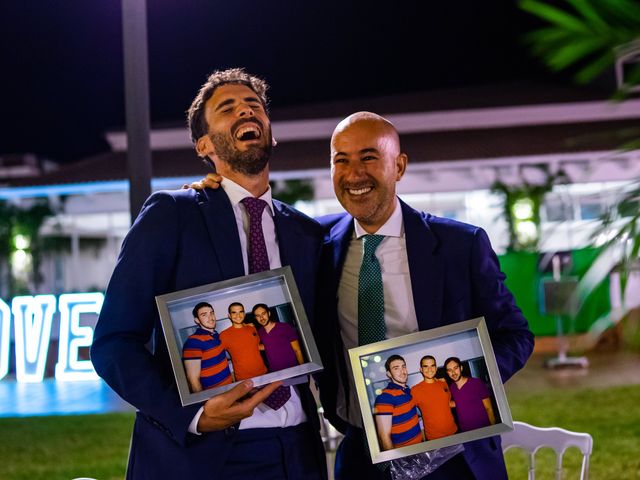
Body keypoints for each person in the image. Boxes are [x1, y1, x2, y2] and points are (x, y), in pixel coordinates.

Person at [90, 68, 326, 480]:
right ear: (204, 144)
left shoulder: (308, 233)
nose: (245, 111)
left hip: (298, 452)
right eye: (228, 108)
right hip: (202, 454)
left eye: (254, 105)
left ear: (271, 133)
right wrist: (193, 415)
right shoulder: (173, 215)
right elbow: (113, 343)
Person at [313, 112, 535, 480]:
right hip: (361, 453)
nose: (354, 174)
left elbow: (516, 336)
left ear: (399, 166)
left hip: (453, 456)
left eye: (369, 157)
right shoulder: (315, 245)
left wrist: (459, 381)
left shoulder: (459, 245)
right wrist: (206, 192)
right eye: (342, 160)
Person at [373, 355, 423, 451]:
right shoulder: (384, 397)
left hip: (420, 448)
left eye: (403, 366)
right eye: (396, 368)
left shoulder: (408, 391)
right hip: (405, 456)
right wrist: (396, 462)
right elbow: (384, 437)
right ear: (389, 374)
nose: (402, 371)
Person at [183, 302, 233, 391]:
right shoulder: (193, 342)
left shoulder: (216, 335)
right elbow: (193, 380)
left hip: (230, 389)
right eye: (204, 315)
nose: (210, 317)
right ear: (197, 320)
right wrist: (204, 402)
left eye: (212, 313)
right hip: (215, 396)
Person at [410, 355, 457, 441]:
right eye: (426, 366)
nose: (430, 369)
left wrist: (466, 401)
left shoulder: (443, 383)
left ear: (436, 368)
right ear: (421, 369)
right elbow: (410, 414)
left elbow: (447, 403)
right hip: (434, 438)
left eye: (432, 366)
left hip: (454, 432)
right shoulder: (415, 390)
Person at [444, 357, 496, 432]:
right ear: (447, 373)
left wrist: (494, 429)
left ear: (461, 368)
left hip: (484, 429)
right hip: (466, 432)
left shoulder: (477, 383)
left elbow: (489, 409)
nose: (453, 372)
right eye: (449, 370)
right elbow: (457, 403)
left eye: (455, 368)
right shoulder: (452, 388)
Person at [219, 302, 267, 380]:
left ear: (244, 314)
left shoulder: (252, 328)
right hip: (244, 379)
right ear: (229, 316)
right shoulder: (224, 335)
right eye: (234, 313)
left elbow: (257, 346)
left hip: (263, 373)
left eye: (241, 312)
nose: (238, 315)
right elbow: (219, 357)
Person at [252, 303, 304, 371]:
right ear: (256, 318)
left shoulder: (284, 327)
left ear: (269, 313)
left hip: (294, 370)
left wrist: (304, 369)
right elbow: (265, 346)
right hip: (276, 374)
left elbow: (298, 350)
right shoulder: (260, 332)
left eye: (263, 313)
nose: (261, 318)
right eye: (258, 316)